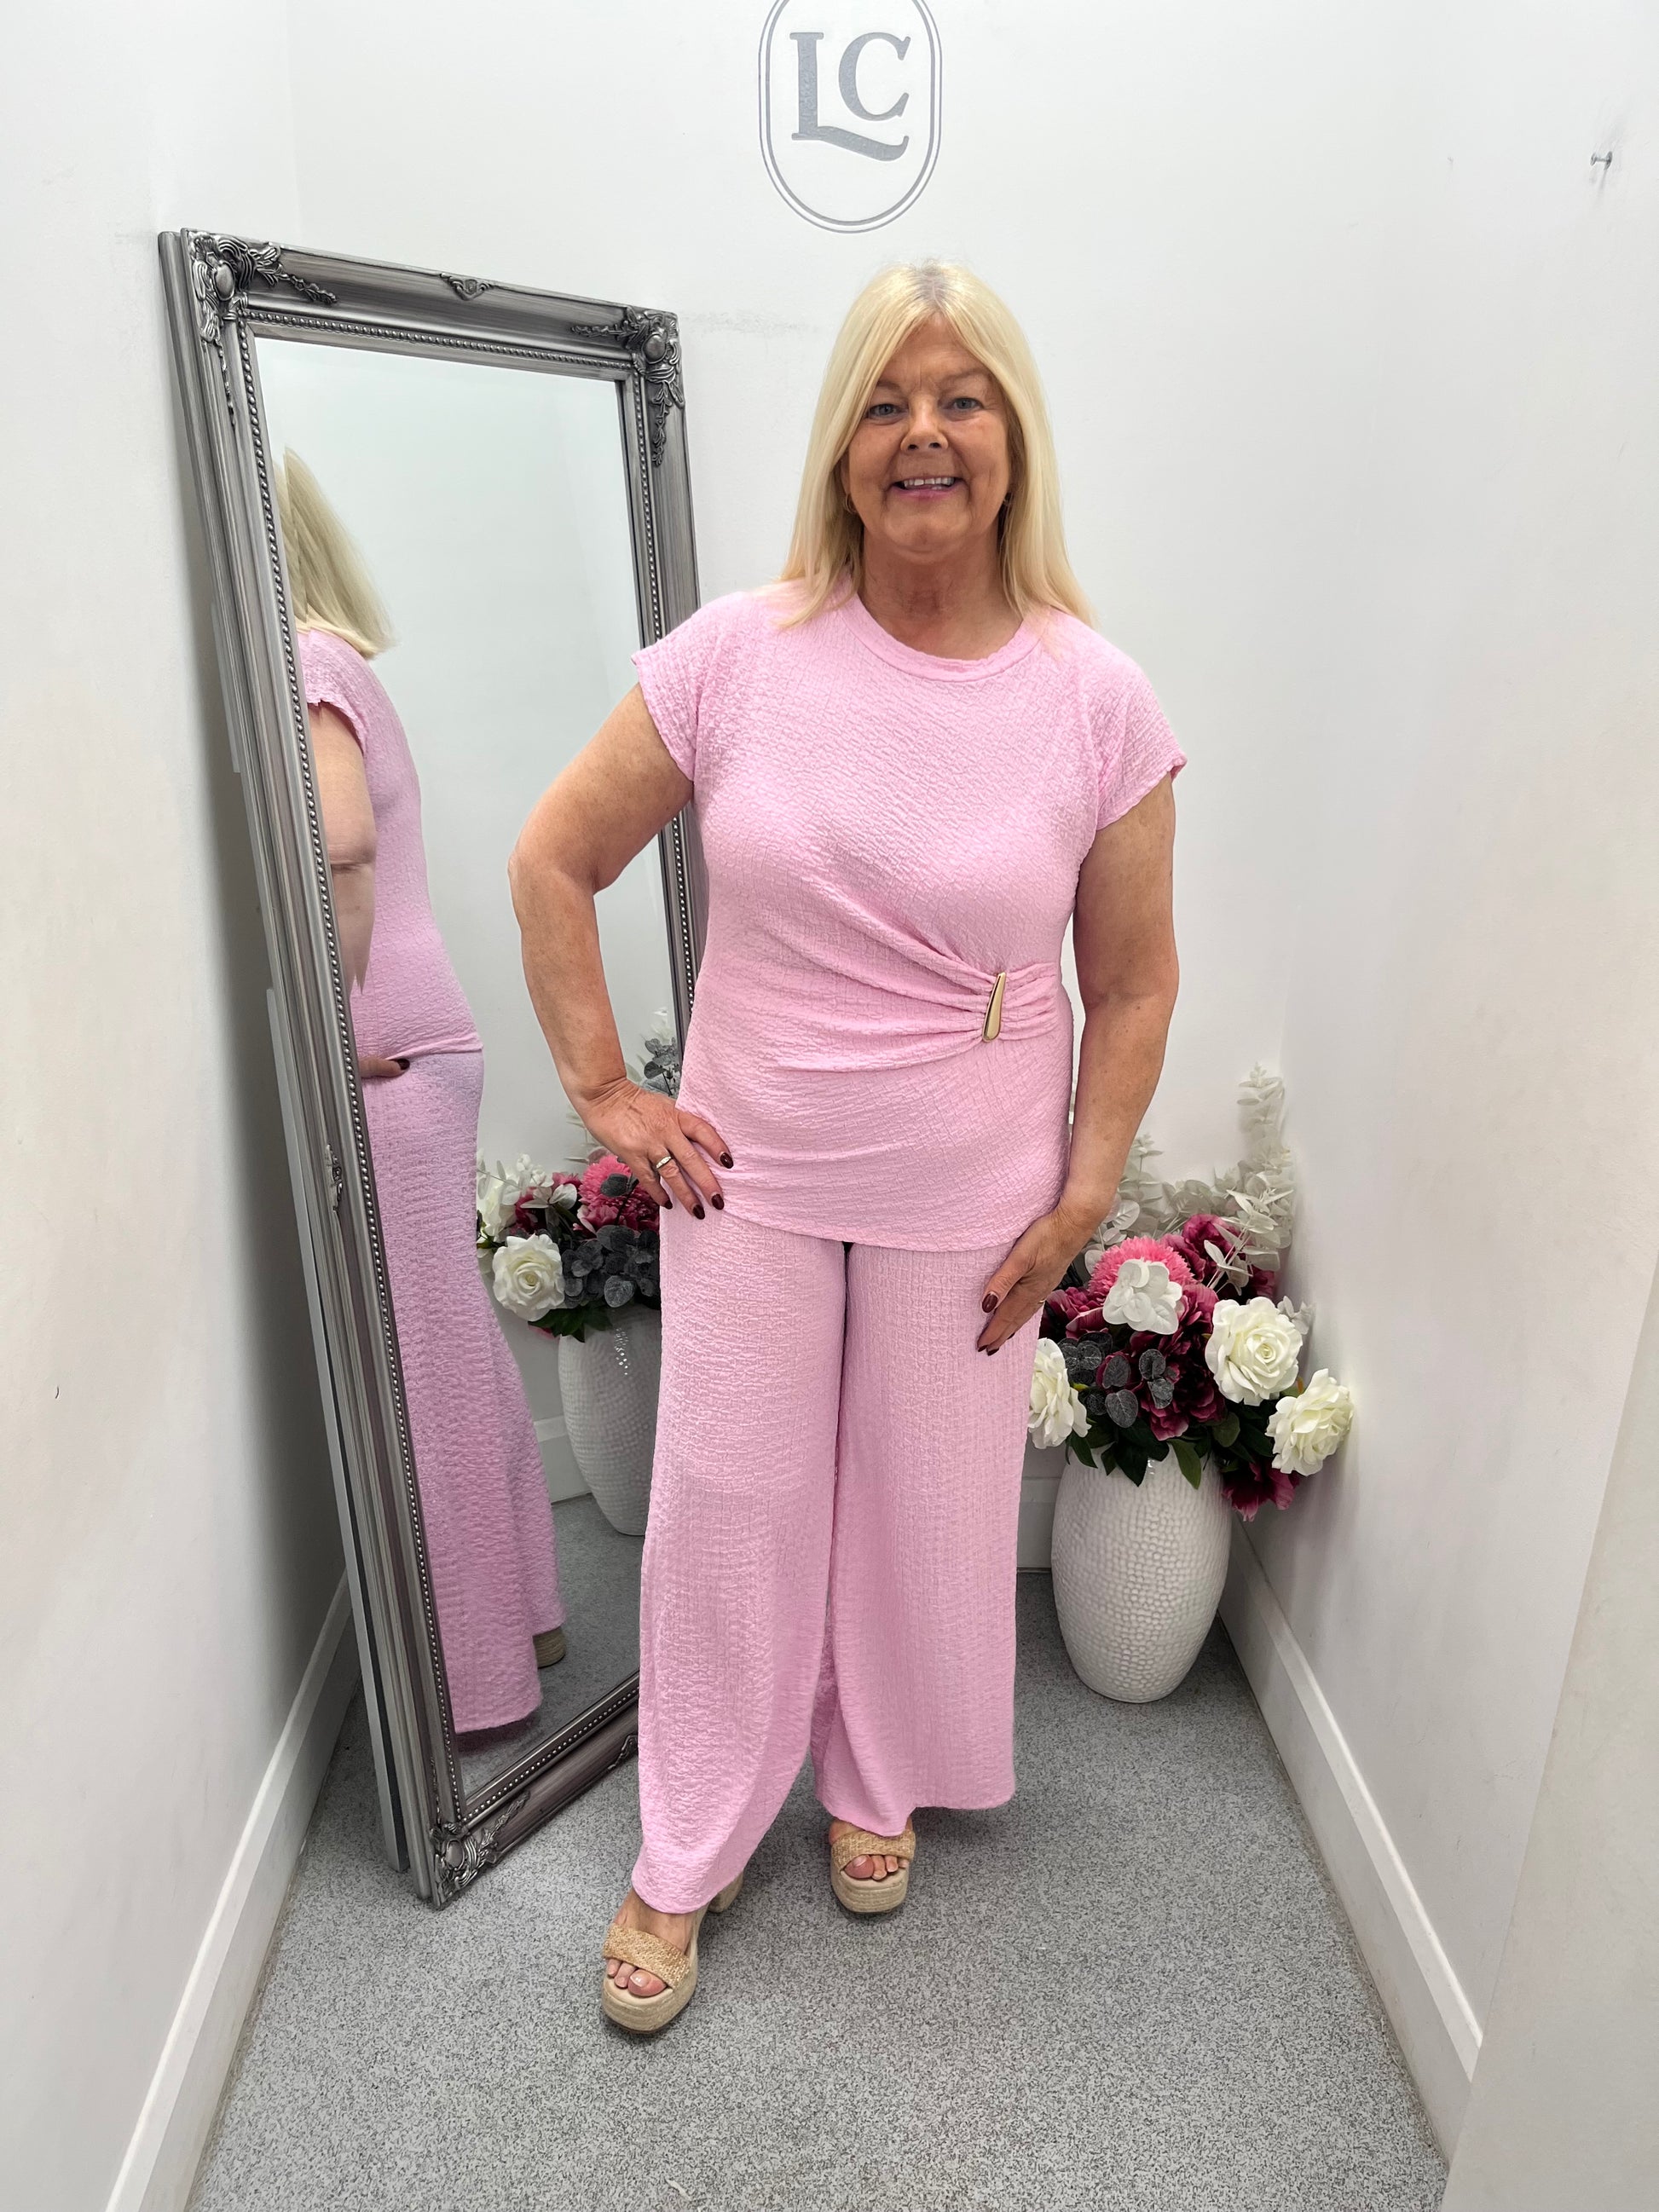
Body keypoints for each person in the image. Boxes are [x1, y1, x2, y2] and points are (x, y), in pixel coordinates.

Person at [508, 263, 1183, 2030]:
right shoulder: (740, 655)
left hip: (971, 1186)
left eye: (960, 398)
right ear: (840, 444)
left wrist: (1085, 1190)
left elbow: (1132, 979)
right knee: (726, 1501)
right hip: (754, 1172)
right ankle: (693, 1832)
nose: (922, 434)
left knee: (925, 1495)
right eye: (885, 402)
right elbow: (552, 859)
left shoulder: (1095, 696)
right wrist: (607, 1090)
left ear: (1011, 437)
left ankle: (877, 1769)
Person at [276, 450, 565, 1736]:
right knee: (449, 1349)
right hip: (420, 1044)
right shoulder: (341, 658)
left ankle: (479, 1683)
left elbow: (341, 849)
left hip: (385, 1053)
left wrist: (331, 1026)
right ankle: (530, 1617)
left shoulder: (302, 663)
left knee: (420, 1372)